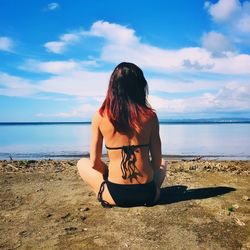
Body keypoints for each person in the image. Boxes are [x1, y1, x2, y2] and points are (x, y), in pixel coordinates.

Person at [77, 62, 167, 207]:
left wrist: (107, 172)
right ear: (140, 86)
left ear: (112, 87)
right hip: (149, 195)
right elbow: (156, 163)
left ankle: (106, 186)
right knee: (163, 163)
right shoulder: (150, 116)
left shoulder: (100, 116)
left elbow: (94, 162)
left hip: (116, 194)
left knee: (82, 163)